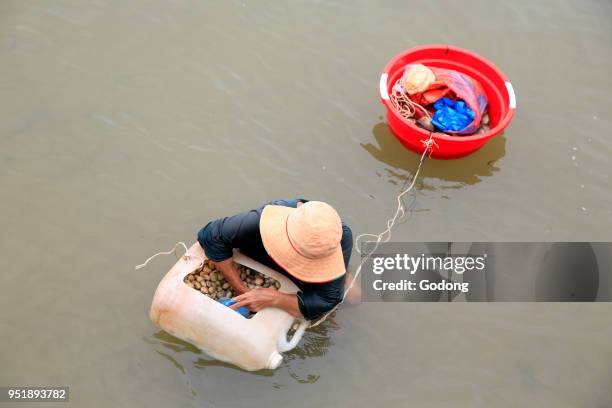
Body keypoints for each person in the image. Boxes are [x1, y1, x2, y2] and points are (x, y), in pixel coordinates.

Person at [197, 199, 352, 321]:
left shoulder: (339, 237)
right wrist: (242, 291)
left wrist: (276, 299)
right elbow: (211, 235)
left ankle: (368, 278)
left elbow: (328, 299)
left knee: (355, 297)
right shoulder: (267, 218)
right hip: (259, 254)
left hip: (306, 280)